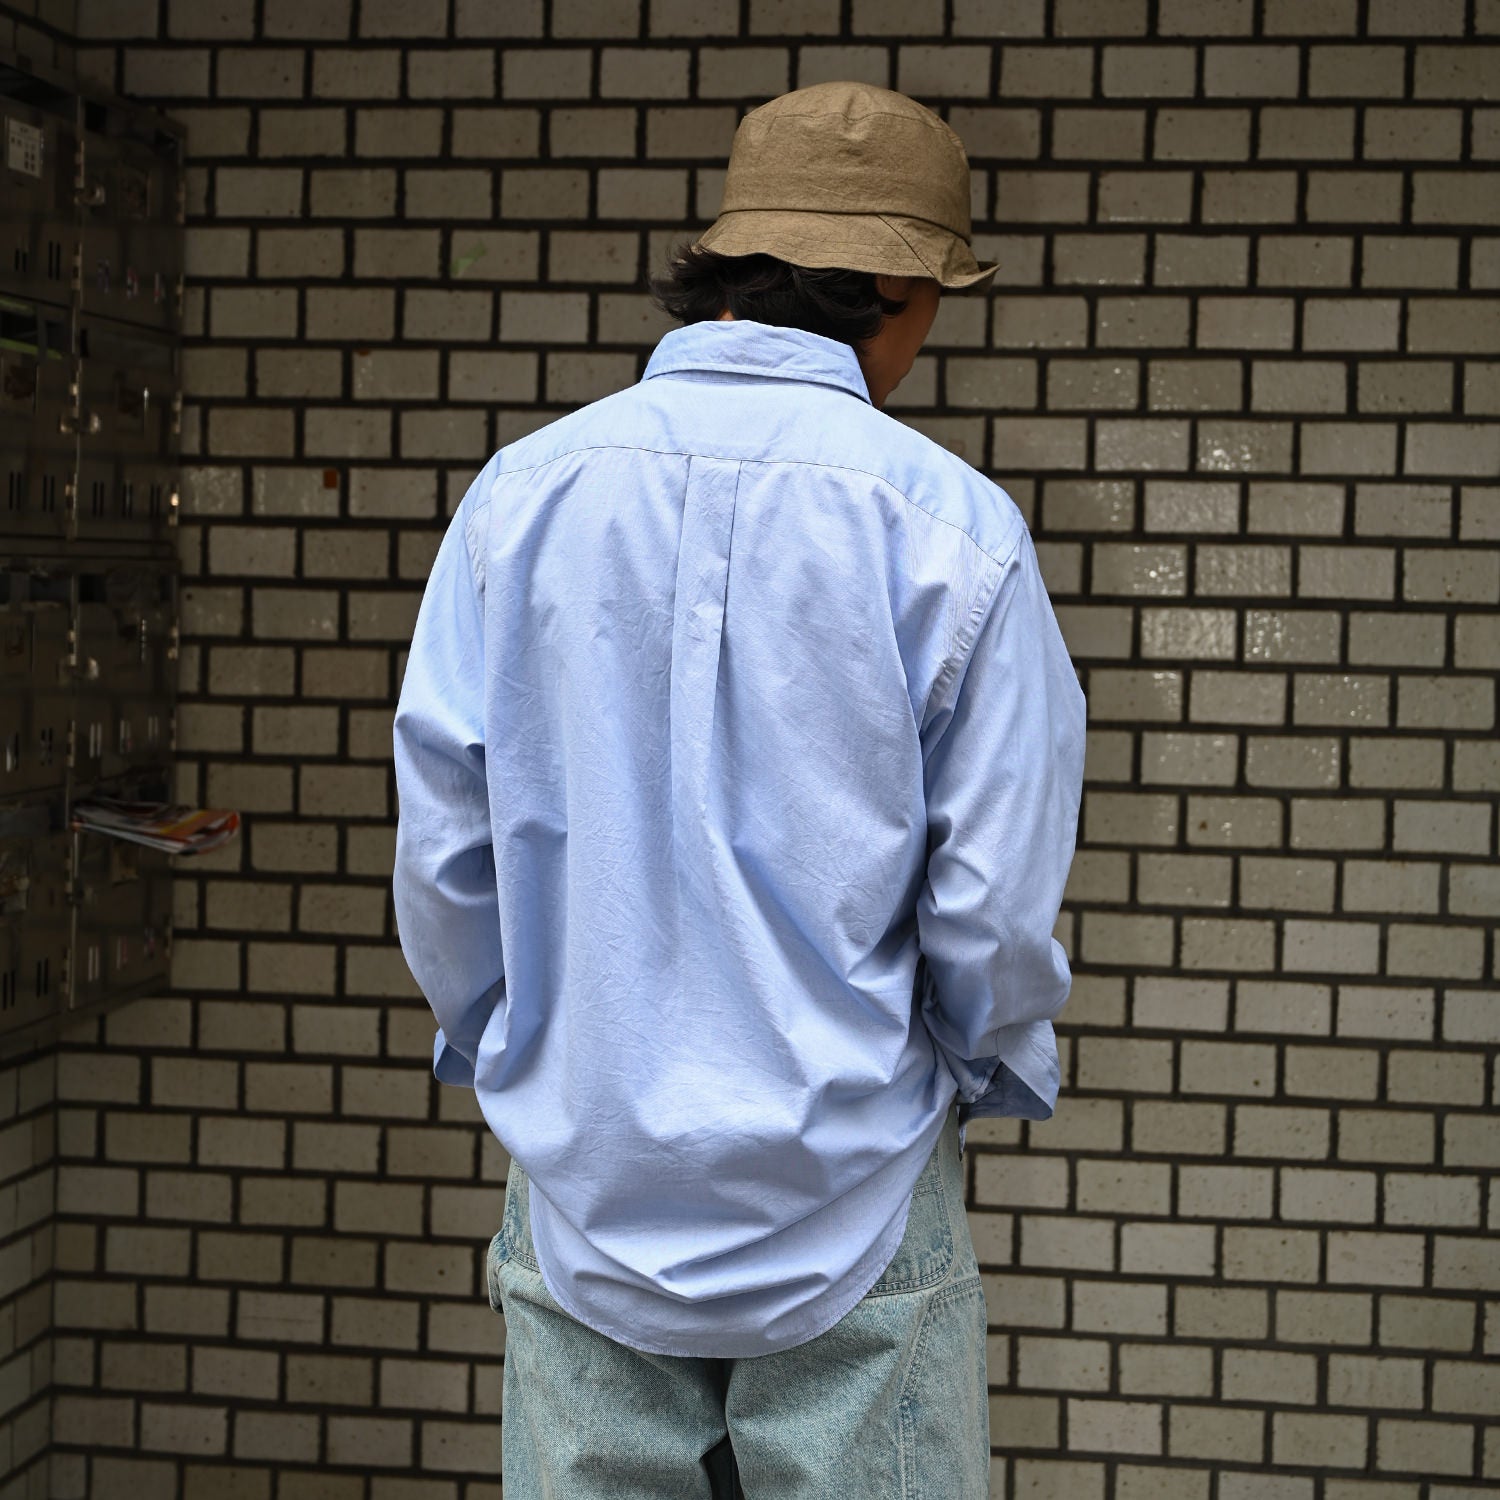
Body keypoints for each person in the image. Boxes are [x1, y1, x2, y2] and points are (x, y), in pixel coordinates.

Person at [393, 81, 1086, 1499]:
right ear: (898, 288)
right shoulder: (952, 527)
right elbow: (994, 903)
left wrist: (516, 1043)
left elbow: (447, 852)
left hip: (583, 1175)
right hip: (857, 1183)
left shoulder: (521, 496)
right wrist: (973, 1059)